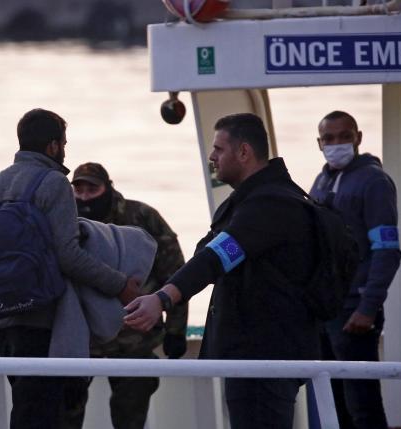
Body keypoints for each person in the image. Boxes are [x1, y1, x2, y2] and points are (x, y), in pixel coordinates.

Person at [124, 113, 320, 429]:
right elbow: (207, 252)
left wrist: (161, 299)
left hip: (265, 357)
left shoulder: (269, 206)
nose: (212, 157)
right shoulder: (250, 200)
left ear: (243, 152)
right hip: (252, 354)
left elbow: (214, 259)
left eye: (218, 149)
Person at [0, 108, 140, 429]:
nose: (64, 149)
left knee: (26, 407)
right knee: (40, 414)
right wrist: (120, 285)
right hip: (43, 321)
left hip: (4, 322)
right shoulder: (54, 183)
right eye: (63, 142)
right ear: (53, 146)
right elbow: (69, 256)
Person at [62, 162, 188, 429]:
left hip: (135, 339)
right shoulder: (63, 219)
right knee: (66, 414)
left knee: (130, 418)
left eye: (92, 189)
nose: (84, 197)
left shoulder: (141, 216)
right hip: (83, 340)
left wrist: (177, 330)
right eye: (79, 189)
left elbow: (175, 273)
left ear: (108, 187)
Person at [309, 111, 401, 429]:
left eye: (344, 136)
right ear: (319, 143)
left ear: (358, 138)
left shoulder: (374, 182)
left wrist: (368, 308)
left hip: (354, 313)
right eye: (329, 139)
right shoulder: (320, 181)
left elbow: (387, 250)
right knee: (333, 403)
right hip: (325, 311)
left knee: (363, 404)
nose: (336, 144)